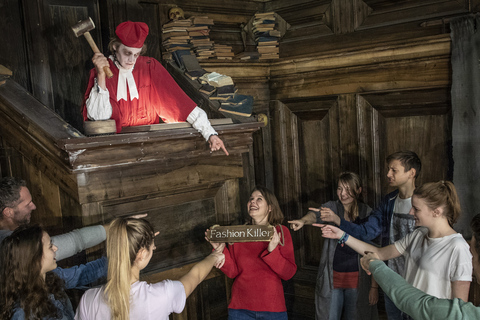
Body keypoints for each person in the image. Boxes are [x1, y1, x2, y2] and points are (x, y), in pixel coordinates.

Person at [83, 21, 228, 155]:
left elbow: (180, 103)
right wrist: (101, 74)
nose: (132, 60)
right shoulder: (101, 70)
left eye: (137, 54)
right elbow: (98, 118)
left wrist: (210, 133)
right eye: (127, 53)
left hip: (150, 147)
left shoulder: (149, 66)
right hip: (116, 149)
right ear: (115, 47)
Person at [318, 181, 472, 303]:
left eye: (416, 209)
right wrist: (342, 235)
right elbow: (379, 253)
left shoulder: (457, 247)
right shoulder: (418, 234)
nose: (411, 212)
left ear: (436, 212)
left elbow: (459, 308)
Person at [319, 151, 421, 320]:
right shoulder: (389, 200)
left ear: (411, 173)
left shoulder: (425, 201)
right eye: (388, 169)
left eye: (393, 170)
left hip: (417, 280)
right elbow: (366, 232)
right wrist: (339, 223)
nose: (388, 174)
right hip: (392, 280)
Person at [75, 217, 224, 319]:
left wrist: (142, 239)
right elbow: (195, 276)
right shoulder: (162, 295)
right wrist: (215, 255)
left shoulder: (89, 299)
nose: (155, 248)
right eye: (153, 247)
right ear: (142, 254)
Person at [288, 172, 378, 320]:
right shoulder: (332, 207)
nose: (343, 194)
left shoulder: (366, 212)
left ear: (359, 190)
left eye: (348, 189)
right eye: (339, 189)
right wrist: (303, 221)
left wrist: (374, 287)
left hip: (358, 281)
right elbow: (316, 214)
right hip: (332, 279)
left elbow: (374, 251)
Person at [359, 213, 480, 318]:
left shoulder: (458, 246)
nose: (471, 262)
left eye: (473, 255)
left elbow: (415, 302)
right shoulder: (418, 234)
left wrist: (375, 265)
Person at [209, 186, 297, 319]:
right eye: (251, 199)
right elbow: (233, 272)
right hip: (240, 309)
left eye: (259, 199)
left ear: (270, 207)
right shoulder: (238, 233)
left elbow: (288, 273)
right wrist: (220, 249)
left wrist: (272, 250)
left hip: (272, 309)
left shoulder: (280, 232)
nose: (253, 202)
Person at [0, 225, 107, 319]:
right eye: (50, 246)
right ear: (34, 258)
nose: (55, 248)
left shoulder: (51, 276)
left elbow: (82, 274)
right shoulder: (23, 312)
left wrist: (116, 259)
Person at [0, 177, 108, 261]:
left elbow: (68, 276)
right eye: (28, 204)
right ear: (8, 212)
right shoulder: (11, 245)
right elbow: (75, 241)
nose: (34, 207)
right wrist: (111, 229)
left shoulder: (16, 234)